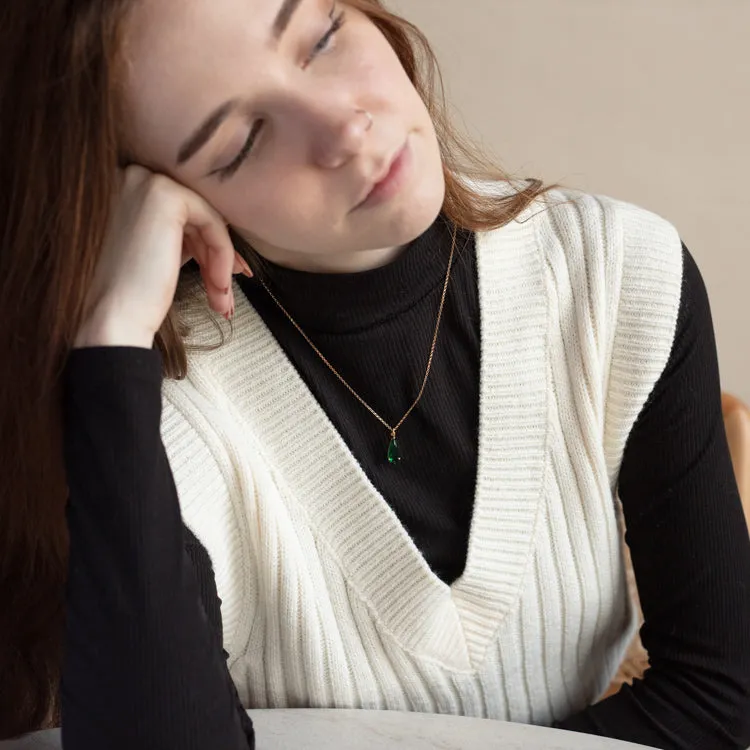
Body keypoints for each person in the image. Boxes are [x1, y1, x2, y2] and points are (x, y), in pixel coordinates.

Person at [1, 0, 749, 748]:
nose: (342, 126)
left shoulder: (615, 273)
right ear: (149, 199)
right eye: (241, 142)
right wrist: (109, 340)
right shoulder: (167, 400)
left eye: (322, 36)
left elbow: (723, 699)